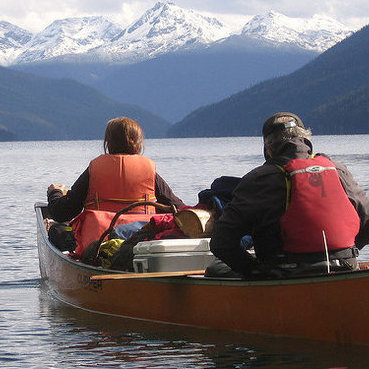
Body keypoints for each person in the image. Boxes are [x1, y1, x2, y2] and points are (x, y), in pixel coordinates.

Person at [210, 112, 369, 278]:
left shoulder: (260, 178)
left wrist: (256, 271)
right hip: (345, 267)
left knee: (215, 268)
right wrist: (347, 250)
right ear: (306, 139)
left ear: (268, 148)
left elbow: (221, 243)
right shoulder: (338, 170)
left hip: (286, 272)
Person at [47, 116, 184, 256]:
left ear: (108, 142)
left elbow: (61, 213)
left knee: (56, 230)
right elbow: (178, 209)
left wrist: (55, 193)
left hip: (98, 243)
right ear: (138, 142)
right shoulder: (149, 171)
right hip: (141, 241)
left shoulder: (95, 169)